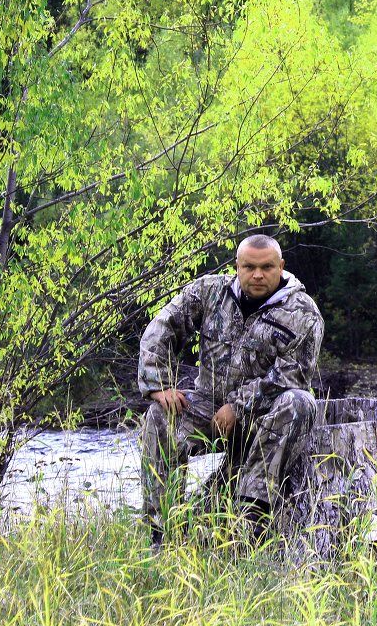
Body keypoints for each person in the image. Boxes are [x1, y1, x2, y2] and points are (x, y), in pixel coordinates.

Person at [138, 234, 323, 548]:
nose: (258, 275)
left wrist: (239, 406)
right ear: (237, 266)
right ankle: (162, 530)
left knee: (301, 402)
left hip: (266, 419)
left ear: (281, 267)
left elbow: (294, 375)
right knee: (159, 415)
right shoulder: (210, 292)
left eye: (267, 267)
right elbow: (163, 326)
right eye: (249, 267)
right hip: (209, 407)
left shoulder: (303, 313)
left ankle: (252, 517)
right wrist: (159, 385)